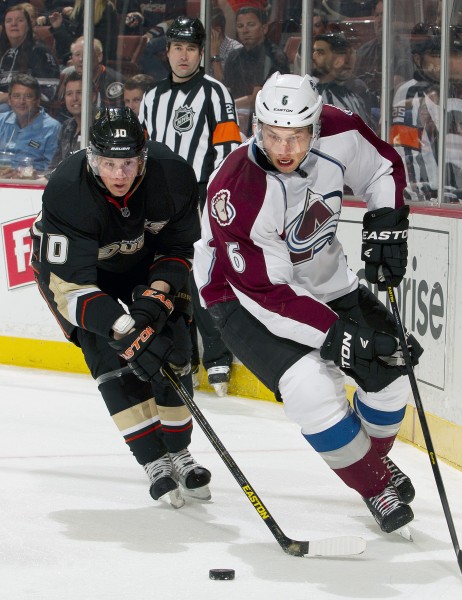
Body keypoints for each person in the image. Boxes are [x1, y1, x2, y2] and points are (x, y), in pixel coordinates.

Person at [194, 72, 424, 535]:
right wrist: (339, 335)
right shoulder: (236, 190)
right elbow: (269, 295)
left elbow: (381, 167)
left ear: (315, 127)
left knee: (392, 368)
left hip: (326, 280)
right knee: (311, 389)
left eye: (296, 136)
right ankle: (375, 485)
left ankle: (369, 465)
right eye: (273, 135)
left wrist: (386, 220)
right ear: (256, 127)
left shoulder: (339, 130)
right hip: (240, 298)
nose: (283, 148)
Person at [30, 107, 211, 507]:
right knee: (110, 355)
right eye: (108, 163)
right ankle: (154, 461)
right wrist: (127, 328)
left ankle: (179, 451)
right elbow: (71, 286)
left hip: (143, 265)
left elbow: (179, 249)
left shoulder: (173, 176)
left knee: (174, 345)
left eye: (128, 162)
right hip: (76, 277)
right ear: (92, 158)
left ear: (142, 157)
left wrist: (154, 302)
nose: (118, 174)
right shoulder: (66, 189)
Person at [139, 16, 242, 396]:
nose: (184, 56)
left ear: (202, 53)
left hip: (200, 195)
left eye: (191, 49)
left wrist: (214, 199)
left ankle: (217, 357)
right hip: (160, 198)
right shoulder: (152, 98)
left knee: (202, 275)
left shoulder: (216, 93)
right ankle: (183, 358)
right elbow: (143, 151)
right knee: (166, 275)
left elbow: (228, 150)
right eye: (177, 48)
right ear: (167, 52)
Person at [391, 24, 462, 203]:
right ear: (417, 59)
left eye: (457, 54)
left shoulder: (453, 96)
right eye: (438, 56)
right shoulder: (410, 99)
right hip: (437, 199)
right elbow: (408, 157)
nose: (452, 61)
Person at [223, 6, 290, 135]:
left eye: (251, 25)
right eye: (240, 26)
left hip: (267, 125)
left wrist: (225, 107)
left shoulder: (274, 56)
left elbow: (256, 99)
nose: (245, 30)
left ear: (264, 28)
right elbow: (227, 90)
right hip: (236, 120)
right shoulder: (234, 56)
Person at [0, 4, 60, 112]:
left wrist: (8, 97)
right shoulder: (2, 54)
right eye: (9, 21)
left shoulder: (39, 52)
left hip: (30, 110)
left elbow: (49, 90)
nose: (13, 24)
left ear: (28, 26)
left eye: (19, 20)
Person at [312, 32, 378, 130]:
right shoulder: (309, 92)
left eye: (350, 53)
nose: (346, 60)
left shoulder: (358, 91)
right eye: (341, 53)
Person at [0, 73, 61, 174]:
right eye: (16, 96)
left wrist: (23, 173)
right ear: (9, 100)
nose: (21, 102)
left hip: (33, 183)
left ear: (37, 101)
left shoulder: (52, 128)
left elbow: (53, 170)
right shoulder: (1, 121)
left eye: (28, 97)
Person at [353, 0, 413, 99]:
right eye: (377, 15)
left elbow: (400, 87)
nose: (380, 20)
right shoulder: (364, 50)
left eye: (384, 14)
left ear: (394, 19)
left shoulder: (405, 48)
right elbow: (354, 83)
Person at [48, 71, 96, 170]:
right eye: (69, 94)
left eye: (80, 93)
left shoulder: (103, 127)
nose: (74, 98)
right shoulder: (66, 126)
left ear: (93, 96)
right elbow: (54, 166)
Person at [61, 37, 125, 112]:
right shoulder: (69, 76)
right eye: (77, 54)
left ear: (99, 57)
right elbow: (63, 112)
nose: (80, 59)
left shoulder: (114, 81)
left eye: (86, 54)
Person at [208, 6, 242, 83]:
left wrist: (215, 55)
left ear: (217, 30)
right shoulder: (200, 47)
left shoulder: (236, 50)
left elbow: (223, 85)